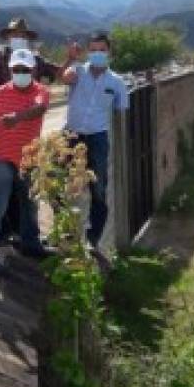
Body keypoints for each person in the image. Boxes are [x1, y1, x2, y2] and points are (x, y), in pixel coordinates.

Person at [0, 16, 79, 244]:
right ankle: (2, 232)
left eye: (22, 36)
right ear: (7, 38)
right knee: (2, 185)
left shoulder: (34, 61)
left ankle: (22, 234)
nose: (18, 39)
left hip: (27, 136)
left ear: (28, 39)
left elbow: (59, 75)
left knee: (25, 185)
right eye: (14, 35)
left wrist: (69, 59)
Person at [0, 48, 54, 278]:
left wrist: (16, 118)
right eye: (17, 69)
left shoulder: (40, 91)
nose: (21, 73)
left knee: (29, 204)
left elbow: (40, 108)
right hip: (2, 157)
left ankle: (31, 244)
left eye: (25, 69)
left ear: (33, 70)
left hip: (28, 159)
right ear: (10, 70)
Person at [62, 31, 129, 252]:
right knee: (66, 185)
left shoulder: (117, 82)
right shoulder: (78, 72)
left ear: (109, 52)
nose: (97, 54)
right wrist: (71, 57)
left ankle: (93, 237)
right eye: (93, 50)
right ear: (88, 52)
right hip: (71, 137)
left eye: (102, 50)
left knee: (98, 189)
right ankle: (67, 232)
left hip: (98, 138)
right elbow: (64, 77)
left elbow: (121, 112)